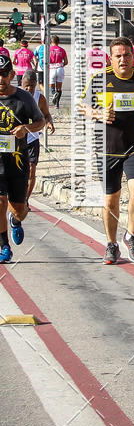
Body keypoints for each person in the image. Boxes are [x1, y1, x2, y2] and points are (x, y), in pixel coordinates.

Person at [80, 36, 134, 265]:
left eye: (127, 55)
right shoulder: (100, 79)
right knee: (111, 200)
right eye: (118, 56)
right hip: (108, 148)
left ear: (133, 56)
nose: (123, 59)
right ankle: (111, 244)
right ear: (111, 58)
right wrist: (98, 114)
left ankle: (131, 235)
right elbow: (82, 105)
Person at [0, 52, 45, 262]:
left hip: (17, 160)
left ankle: (16, 221)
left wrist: (26, 128)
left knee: (18, 209)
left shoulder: (23, 98)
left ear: (11, 75)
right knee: (0, 201)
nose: (0, 79)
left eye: (4, 74)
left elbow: (40, 121)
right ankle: (4, 246)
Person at [20, 70, 54, 207]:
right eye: (26, 86)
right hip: (17, 140)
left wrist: (49, 123)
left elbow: (47, 115)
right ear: (21, 83)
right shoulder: (16, 95)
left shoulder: (40, 98)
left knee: (31, 170)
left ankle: (25, 200)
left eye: (32, 86)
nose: (29, 89)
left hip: (32, 139)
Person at [48, 35, 68, 107]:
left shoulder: (48, 49)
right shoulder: (62, 50)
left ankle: (53, 94)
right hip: (60, 68)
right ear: (58, 41)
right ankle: (57, 104)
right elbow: (66, 62)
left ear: (51, 41)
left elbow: (46, 60)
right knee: (59, 87)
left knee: (51, 85)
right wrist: (61, 65)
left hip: (52, 68)